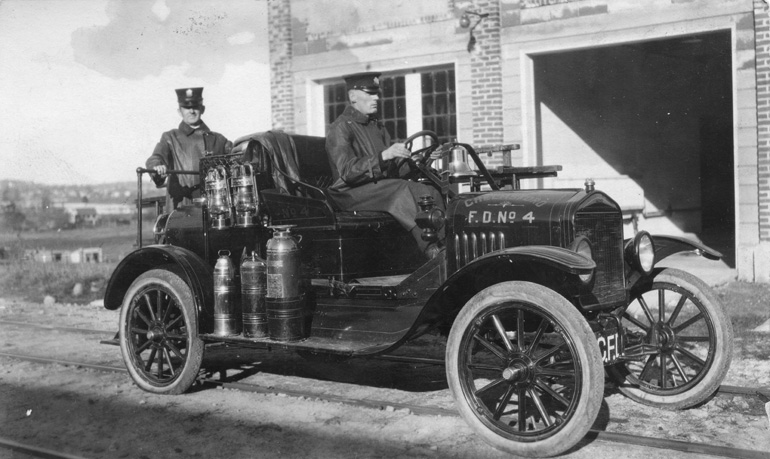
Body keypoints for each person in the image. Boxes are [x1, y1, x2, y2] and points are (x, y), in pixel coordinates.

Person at [325, 72, 444, 258]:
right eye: (370, 94)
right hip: (349, 192)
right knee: (402, 191)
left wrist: (418, 161)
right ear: (353, 96)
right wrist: (384, 156)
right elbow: (347, 172)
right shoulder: (340, 127)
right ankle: (430, 249)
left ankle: (444, 243)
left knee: (429, 190)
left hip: (374, 188)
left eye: (376, 93)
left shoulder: (377, 127)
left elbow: (393, 169)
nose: (377, 98)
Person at [146, 87, 232, 210]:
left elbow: (237, 157)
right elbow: (156, 157)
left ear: (202, 109)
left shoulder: (219, 140)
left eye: (195, 107)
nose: (191, 111)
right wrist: (157, 166)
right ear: (179, 111)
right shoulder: (170, 138)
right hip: (181, 208)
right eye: (186, 108)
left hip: (216, 208)